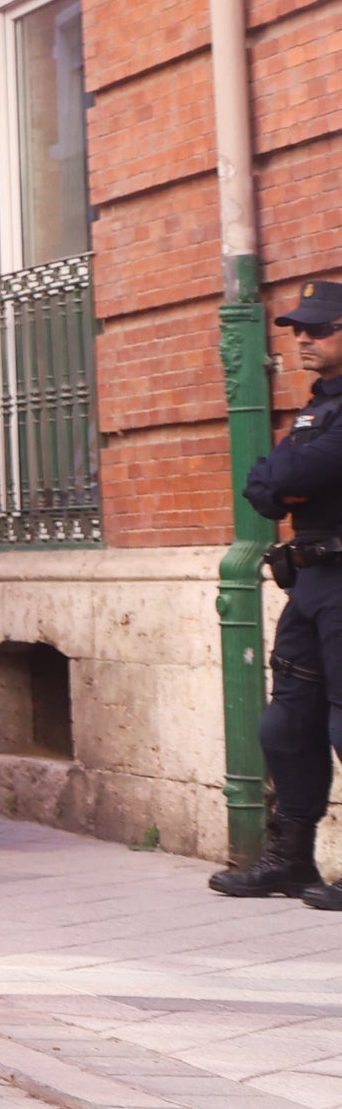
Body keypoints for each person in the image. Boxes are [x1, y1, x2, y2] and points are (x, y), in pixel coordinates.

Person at [225, 282, 342, 905]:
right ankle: (292, 859)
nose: (303, 338)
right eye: (298, 329)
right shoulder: (314, 411)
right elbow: (263, 484)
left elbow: (292, 473)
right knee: (287, 723)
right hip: (311, 579)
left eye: (319, 329)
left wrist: (287, 477)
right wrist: (286, 478)